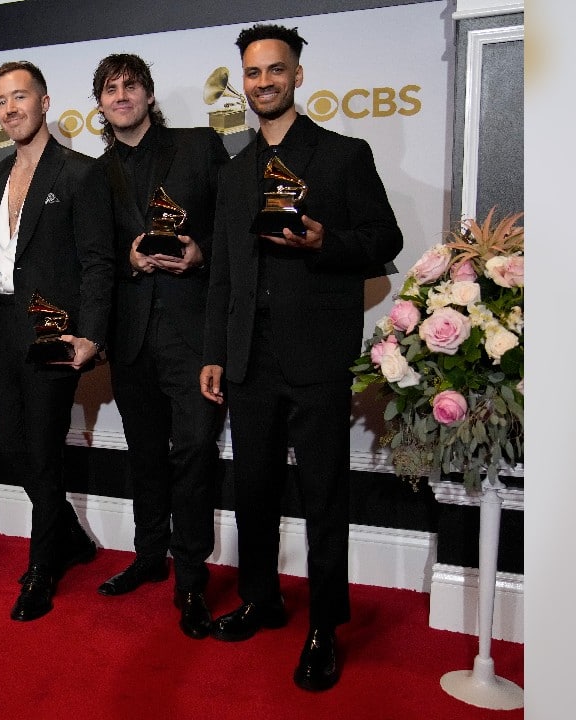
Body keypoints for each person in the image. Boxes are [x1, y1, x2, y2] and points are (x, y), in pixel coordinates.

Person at [200, 25, 403, 691]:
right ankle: (262, 599)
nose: (263, 82)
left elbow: (384, 239)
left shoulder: (343, 156)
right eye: (253, 73)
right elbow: (223, 274)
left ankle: (324, 626)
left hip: (317, 358)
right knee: (252, 490)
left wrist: (325, 240)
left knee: (323, 497)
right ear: (244, 81)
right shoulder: (233, 174)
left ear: (297, 76)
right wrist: (215, 353)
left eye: (275, 70)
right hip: (249, 362)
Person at [0, 61, 114, 622]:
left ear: (45, 102)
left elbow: (99, 263)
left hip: (53, 329)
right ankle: (71, 536)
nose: (9, 109)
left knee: (44, 450)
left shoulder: (80, 173)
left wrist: (92, 336)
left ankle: (42, 567)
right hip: (0, 327)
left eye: (19, 97)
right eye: (0, 100)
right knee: (12, 447)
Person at [90, 53, 228, 640]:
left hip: (193, 333)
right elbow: (91, 255)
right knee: (144, 454)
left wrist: (200, 254)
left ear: (148, 94)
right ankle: (150, 557)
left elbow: (235, 229)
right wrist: (128, 259)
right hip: (131, 336)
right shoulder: (93, 173)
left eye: (131, 86)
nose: (121, 95)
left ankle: (192, 579)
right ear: (99, 102)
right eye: (110, 88)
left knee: (194, 451)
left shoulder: (199, 146)